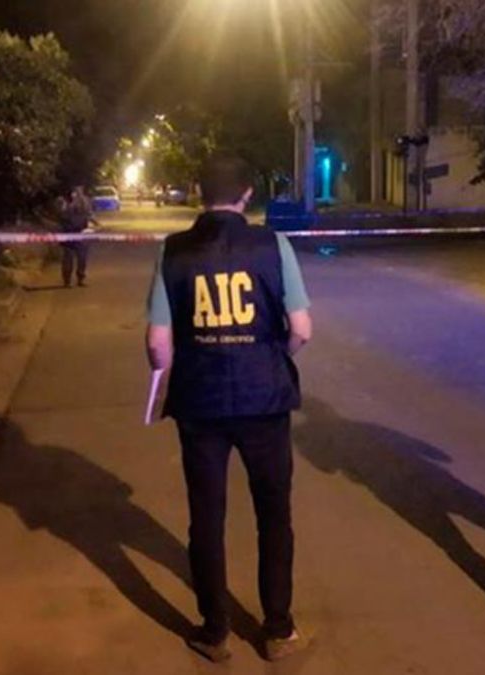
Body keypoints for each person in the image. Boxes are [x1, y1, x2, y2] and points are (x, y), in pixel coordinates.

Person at [145, 156, 313, 663]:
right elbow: (302, 329)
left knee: (207, 517)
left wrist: (174, 368)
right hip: (264, 400)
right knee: (273, 514)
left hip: (201, 403)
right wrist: (272, 355)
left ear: (199, 191)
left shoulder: (172, 252)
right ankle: (277, 629)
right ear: (246, 195)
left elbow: (158, 346)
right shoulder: (273, 245)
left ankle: (214, 630)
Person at [60, 186, 95, 287]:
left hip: (81, 232)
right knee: (68, 258)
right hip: (68, 233)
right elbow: (62, 215)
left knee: (82, 258)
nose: (76, 193)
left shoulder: (85, 202)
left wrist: (94, 222)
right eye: (75, 190)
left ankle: (80, 279)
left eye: (78, 190)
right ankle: (67, 281)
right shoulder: (65, 202)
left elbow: (89, 215)